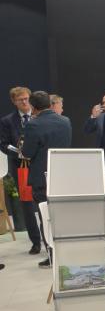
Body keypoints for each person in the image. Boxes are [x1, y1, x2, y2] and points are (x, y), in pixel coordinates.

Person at [20, 90, 72, 268]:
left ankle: (52, 256)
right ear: (50, 104)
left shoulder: (33, 125)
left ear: (33, 106)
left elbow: (27, 152)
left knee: (46, 218)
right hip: (63, 175)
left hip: (42, 179)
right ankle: (67, 254)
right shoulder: (65, 121)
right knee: (63, 217)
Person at [0, 86, 41, 255]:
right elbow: (3, 144)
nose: (24, 102)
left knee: (44, 203)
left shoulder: (39, 116)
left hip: (40, 165)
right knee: (27, 205)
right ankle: (36, 242)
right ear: (14, 102)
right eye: (20, 100)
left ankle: (49, 239)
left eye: (26, 98)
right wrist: (18, 153)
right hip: (20, 168)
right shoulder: (7, 121)